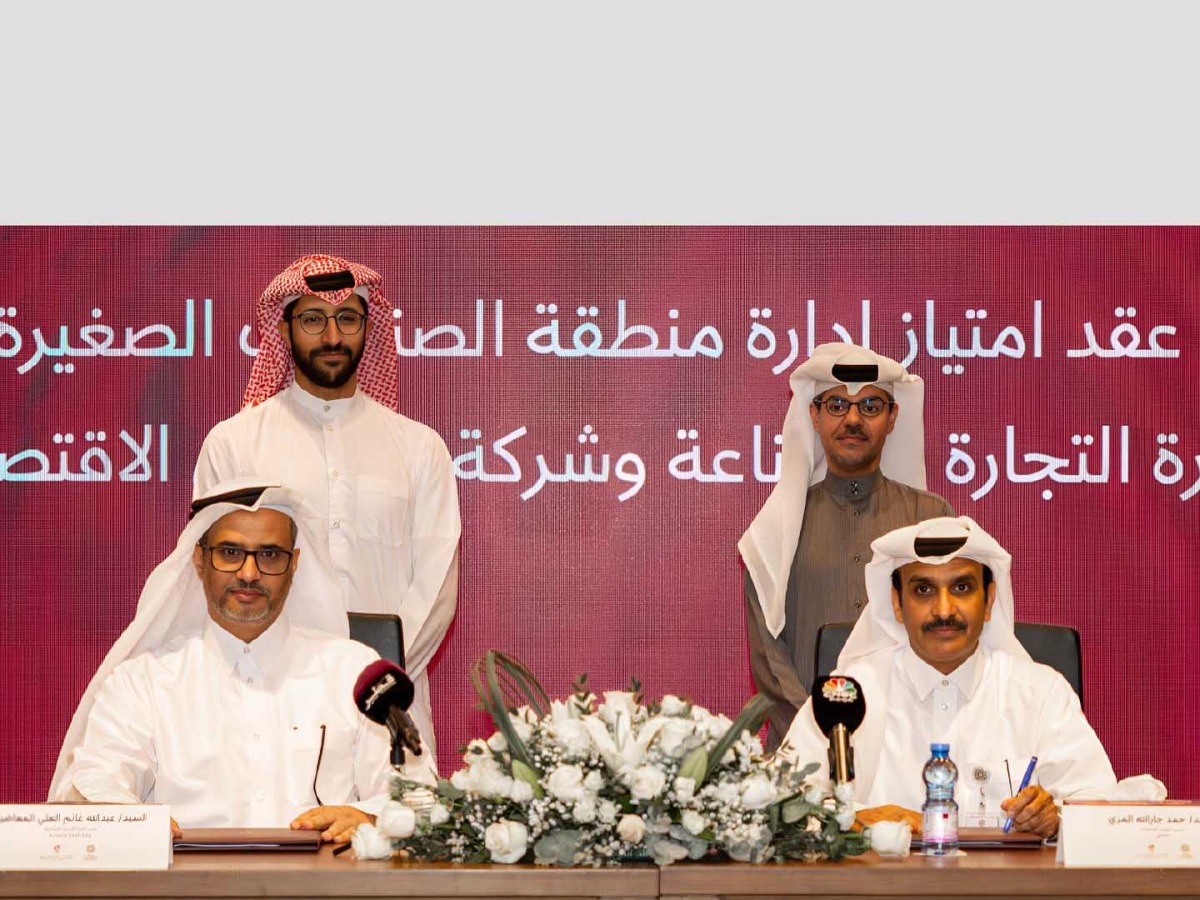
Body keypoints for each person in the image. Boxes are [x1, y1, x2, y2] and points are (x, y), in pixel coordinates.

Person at [49, 482, 435, 842]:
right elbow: (95, 781)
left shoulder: (352, 672)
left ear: (294, 565)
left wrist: (368, 817)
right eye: (230, 553)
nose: (249, 574)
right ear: (200, 561)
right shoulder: (143, 682)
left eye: (269, 555)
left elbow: (422, 795)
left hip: (327, 880)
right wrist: (132, 824)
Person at [194, 254, 461, 763]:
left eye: (348, 319)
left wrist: (375, 673)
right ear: (285, 328)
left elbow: (435, 586)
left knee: (391, 812)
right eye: (314, 319)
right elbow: (222, 576)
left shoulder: (419, 448)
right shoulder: (234, 443)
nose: (332, 336)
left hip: (386, 704)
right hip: (268, 696)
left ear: (368, 328)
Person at [779, 516, 1118, 838]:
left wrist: (1055, 818)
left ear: (989, 601)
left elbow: (1100, 807)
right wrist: (855, 820)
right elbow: (782, 803)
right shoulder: (848, 694)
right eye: (923, 590)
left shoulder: (1040, 693)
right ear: (897, 603)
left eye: (962, 587)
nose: (944, 610)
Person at [739, 343, 953, 748]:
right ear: (814, 415)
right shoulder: (777, 528)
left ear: (893, 417)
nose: (853, 419)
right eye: (837, 405)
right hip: (801, 755)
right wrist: (818, 735)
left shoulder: (931, 519)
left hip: (905, 751)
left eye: (870, 406)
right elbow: (770, 662)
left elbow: (950, 638)